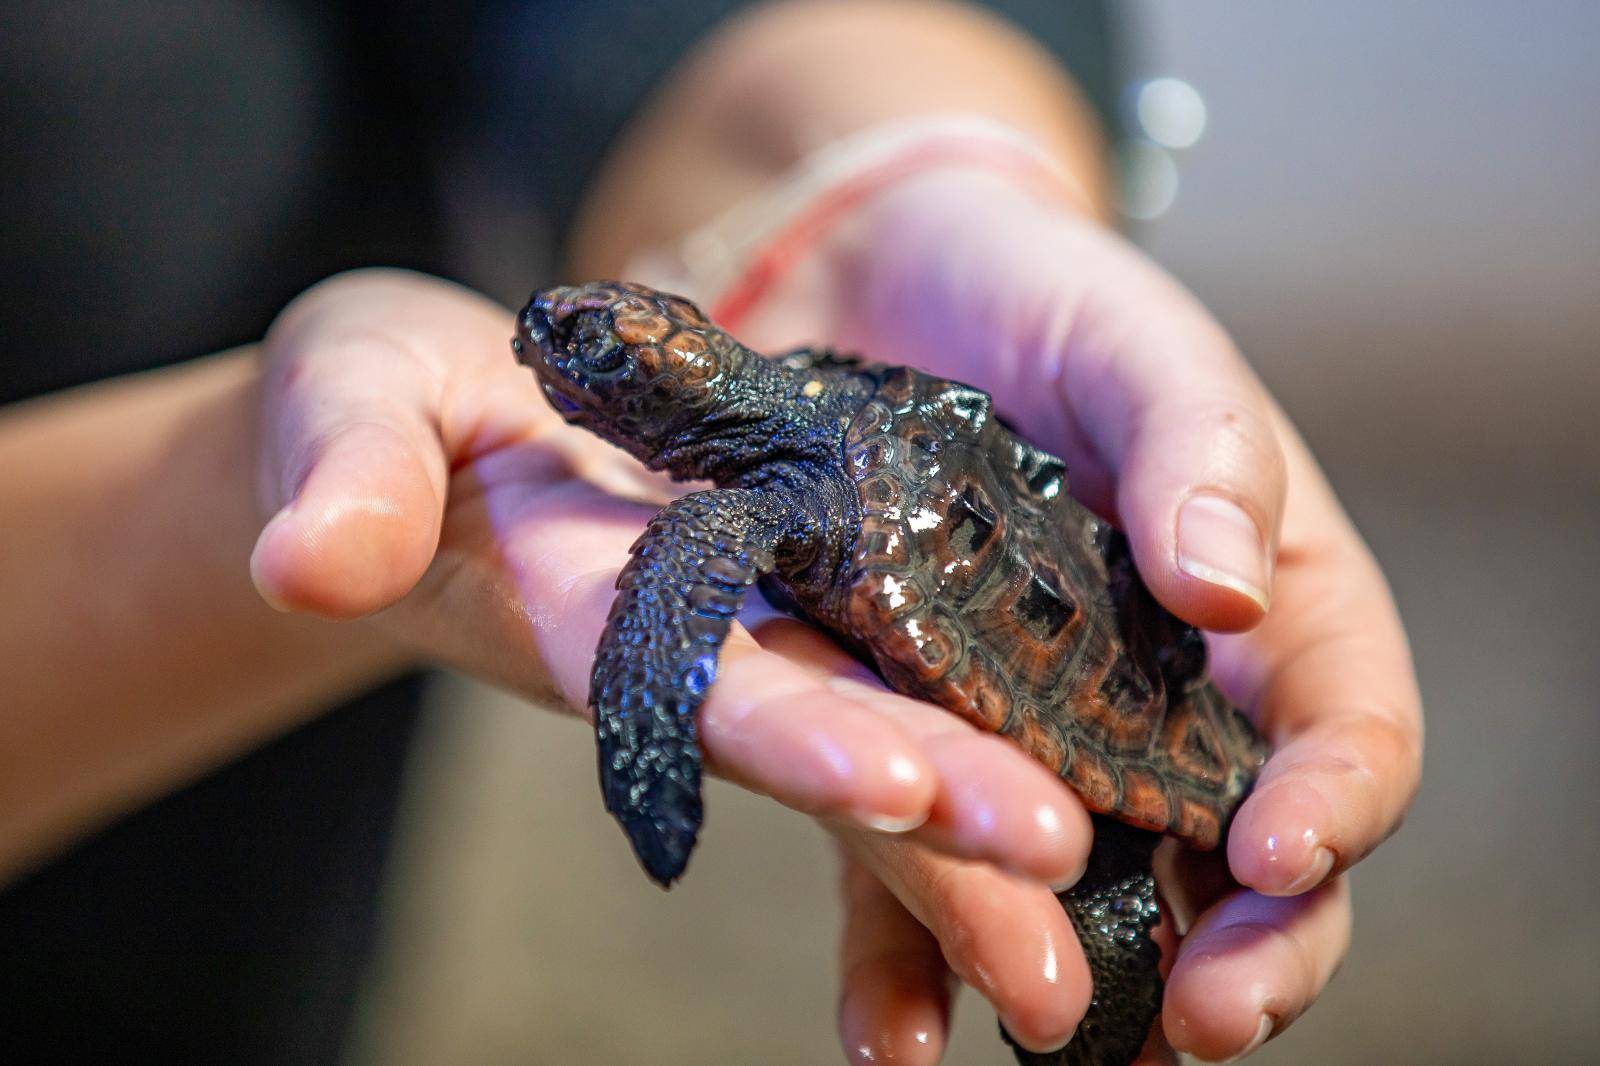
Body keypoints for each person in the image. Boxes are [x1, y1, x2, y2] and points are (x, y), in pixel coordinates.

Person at [0, 2, 1421, 1063]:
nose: (549, 343)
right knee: (1076, 885)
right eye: (565, 341)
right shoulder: (766, 458)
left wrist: (895, 158)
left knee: (1095, 879)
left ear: (686, 388)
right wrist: (215, 497)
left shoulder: (765, 472)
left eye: (595, 346)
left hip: (1101, 680)